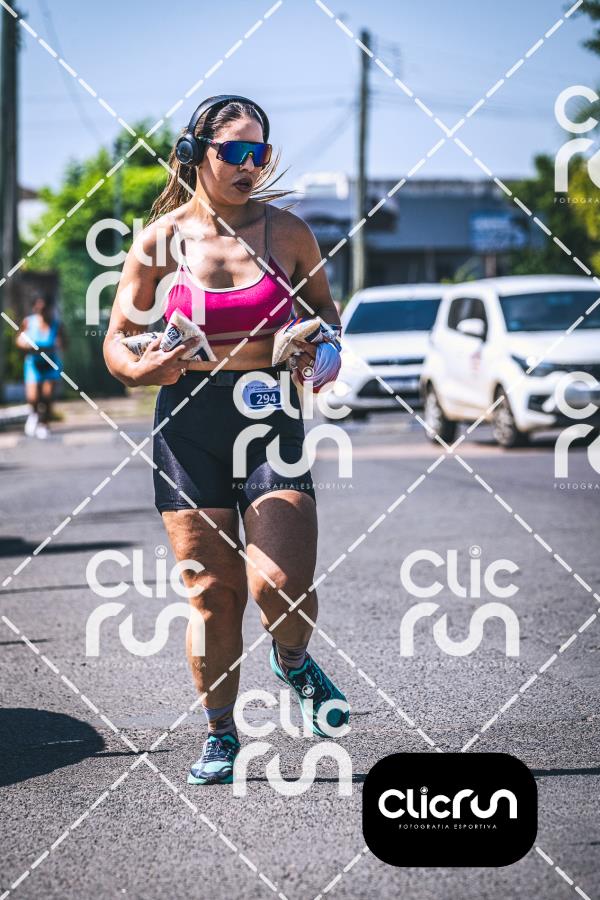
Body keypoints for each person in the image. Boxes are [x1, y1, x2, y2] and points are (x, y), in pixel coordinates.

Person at [103, 95, 348, 785]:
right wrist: (142, 369)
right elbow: (117, 342)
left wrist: (322, 353)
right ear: (194, 155)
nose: (249, 165)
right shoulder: (160, 242)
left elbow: (328, 317)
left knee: (281, 586)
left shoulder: (290, 234)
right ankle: (220, 735)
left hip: (270, 420)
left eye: (259, 153)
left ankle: (292, 660)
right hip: (190, 426)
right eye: (234, 152)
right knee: (213, 593)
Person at [16, 295, 65, 439]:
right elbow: (19, 339)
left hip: (50, 364)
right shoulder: (28, 322)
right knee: (33, 397)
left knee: (47, 396)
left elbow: (63, 342)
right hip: (33, 364)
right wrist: (25, 344)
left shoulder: (56, 324)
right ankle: (34, 414)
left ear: (49, 308)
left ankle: (44, 424)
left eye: (44, 308)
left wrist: (56, 344)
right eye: (38, 308)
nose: (41, 311)